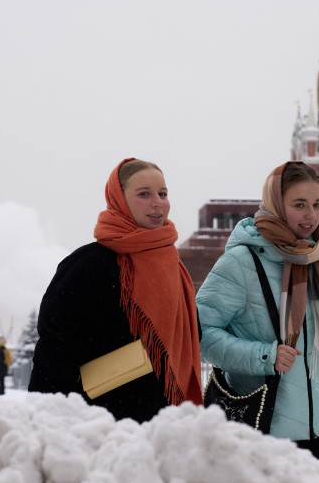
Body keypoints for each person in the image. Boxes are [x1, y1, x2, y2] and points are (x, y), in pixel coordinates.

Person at [29, 158, 202, 422]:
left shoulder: (174, 266)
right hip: (99, 422)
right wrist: (47, 418)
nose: (158, 202)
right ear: (119, 199)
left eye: (162, 194)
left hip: (165, 423)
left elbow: (190, 336)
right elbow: (56, 349)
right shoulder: (89, 264)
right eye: (144, 194)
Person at [196, 161, 319, 459]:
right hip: (262, 428)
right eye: (299, 204)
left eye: (317, 204)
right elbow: (201, 333)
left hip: (317, 430)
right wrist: (265, 355)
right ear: (276, 205)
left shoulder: (314, 258)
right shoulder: (242, 261)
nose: (310, 215)